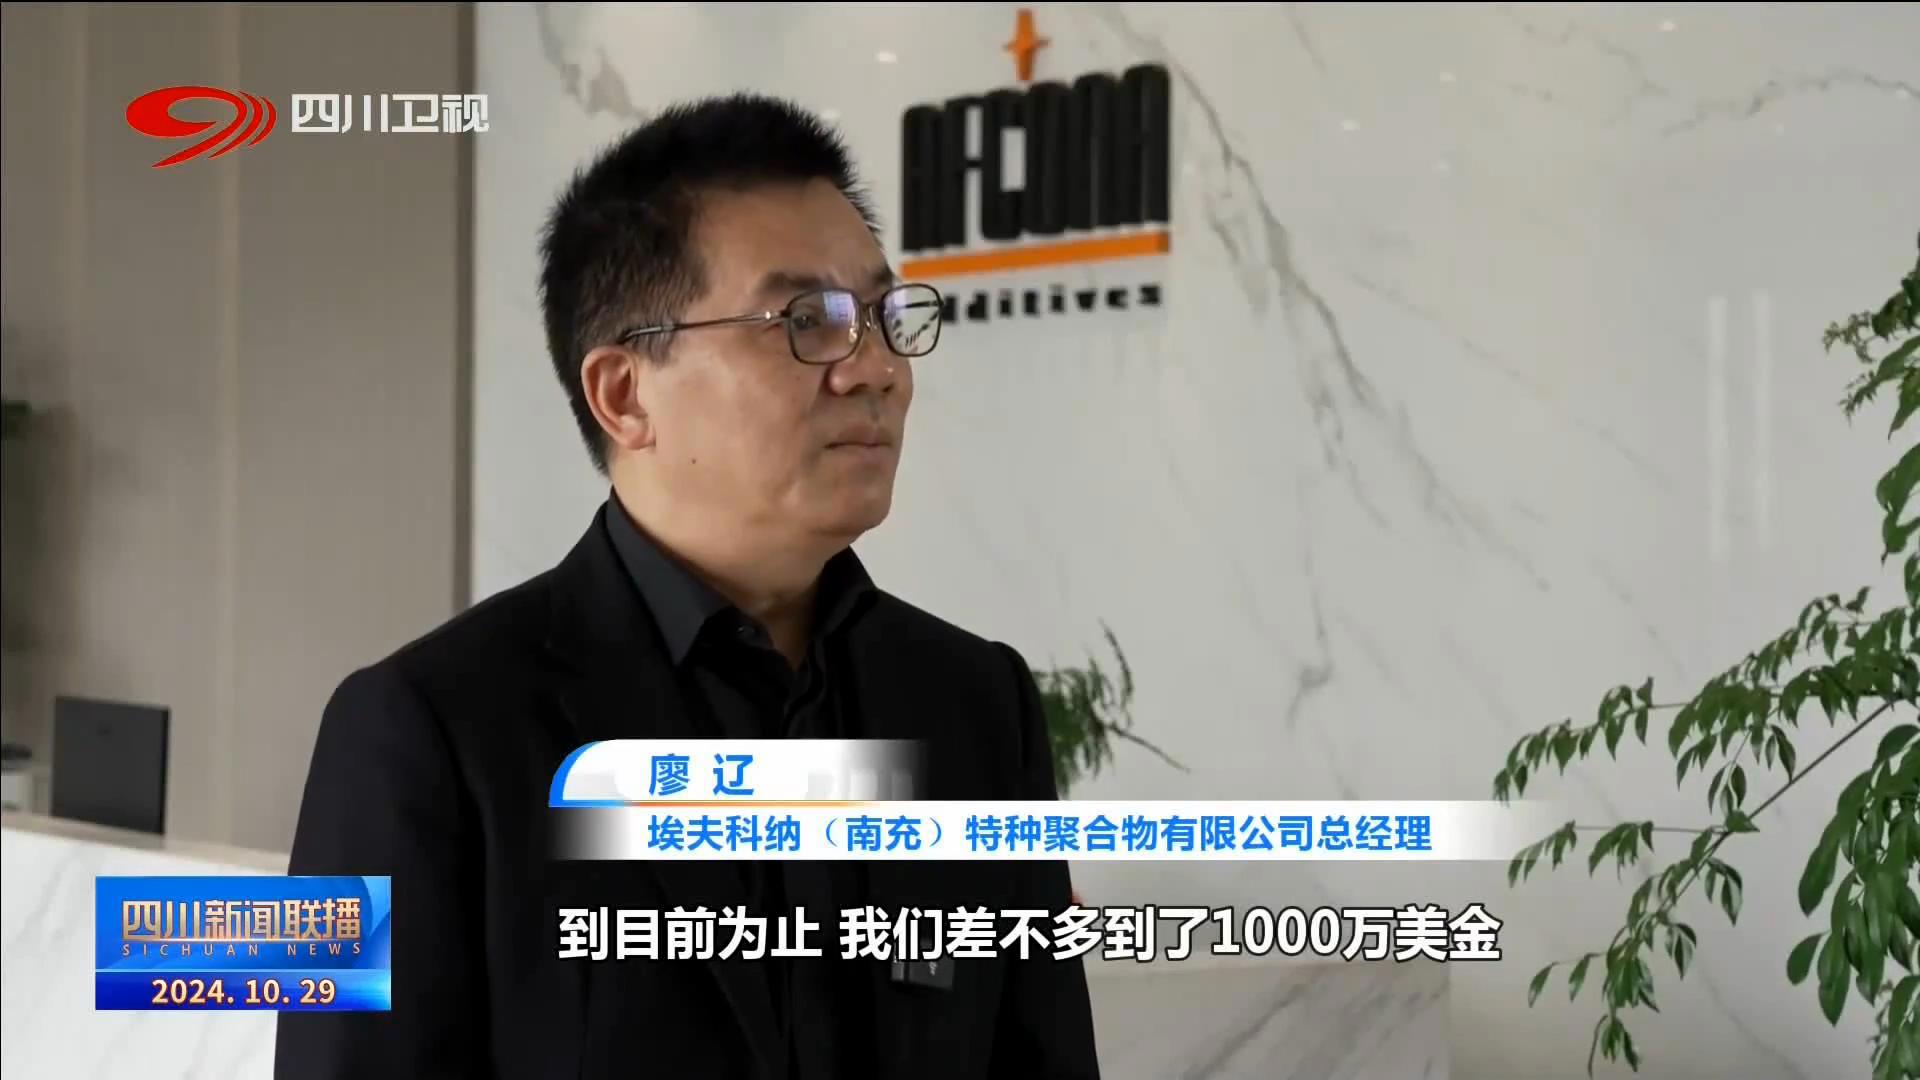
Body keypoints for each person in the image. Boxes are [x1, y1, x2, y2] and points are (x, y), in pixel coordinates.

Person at [274, 94, 1100, 1080]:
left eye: (883, 315)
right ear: (625, 395)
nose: (875, 369)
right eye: (807, 321)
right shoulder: (422, 734)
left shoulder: (977, 707)